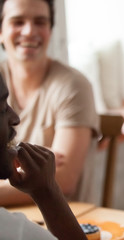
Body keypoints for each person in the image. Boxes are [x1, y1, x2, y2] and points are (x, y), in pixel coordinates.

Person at [0, 0, 99, 206]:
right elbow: (41, 178)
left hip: (66, 224)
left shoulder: (73, 85)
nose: (29, 31)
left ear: (50, 30)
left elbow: (62, 180)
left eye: (40, 22)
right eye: (18, 21)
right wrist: (31, 163)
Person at [0, 76, 86, 239]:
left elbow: (66, 178)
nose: (15, 119)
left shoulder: (72, 85)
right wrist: (47, 192)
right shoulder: (16, 231)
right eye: (3, 109)